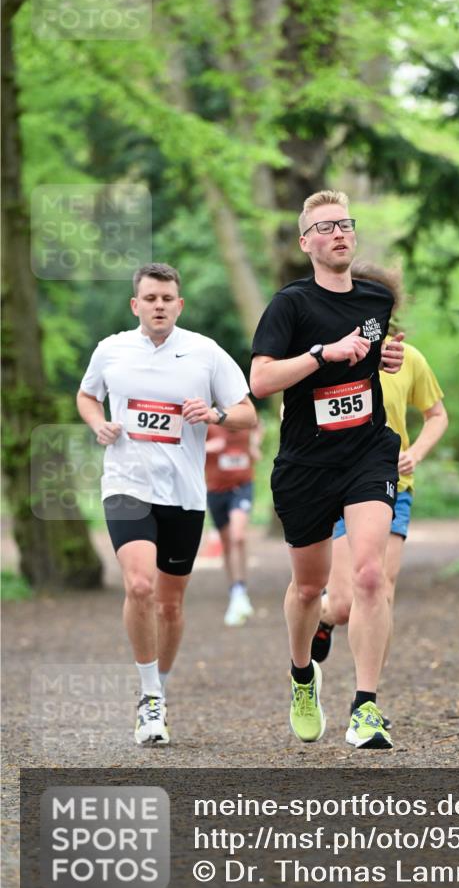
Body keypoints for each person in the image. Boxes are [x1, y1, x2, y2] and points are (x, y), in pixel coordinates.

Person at [77, 263, 256, 746]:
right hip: (126, 484)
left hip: (184, 495)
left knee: (172, 606)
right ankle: (149, 696)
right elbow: (87, 395)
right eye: (150, 298)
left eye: (167, 298)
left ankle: (162, 688)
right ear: (136, 305)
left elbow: (248, 412)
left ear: (180, 305)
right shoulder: (110, 350)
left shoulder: (205, 353)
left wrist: (216, 413)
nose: (159, 305)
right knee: (140, 586)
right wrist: (99, 424)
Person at [250, 190, 405, 750]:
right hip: (305, 464)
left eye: (345, 224)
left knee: (368, 574)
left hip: (367, 452)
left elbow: (376, 354)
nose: (339, 233)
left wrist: (384, 356)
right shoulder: (289, 305)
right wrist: (321, 354)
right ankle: (300, 675)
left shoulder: (376, 299)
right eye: (326, 227)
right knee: (310, 586)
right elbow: (261, 381)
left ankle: (366, 707)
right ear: (306, 242)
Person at [311, 262, 449, 722]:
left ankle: (367, 699)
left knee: (380, 589)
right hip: (337, 483)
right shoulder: (334, 354)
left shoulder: (408, 359)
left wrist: (418, 454)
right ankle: (325, 618)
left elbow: (437, 416)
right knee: (348, 602)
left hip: (394, 485)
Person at [205, 420, 263, 626]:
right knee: (227, 544)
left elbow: (258, 427)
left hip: (242, 486)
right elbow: (189, 451)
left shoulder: (247, 422)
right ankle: (235, 590)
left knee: (238, 535)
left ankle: (241, 589)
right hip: (216, 490)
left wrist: (254, 446)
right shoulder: (209, 425)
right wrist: (209, 447)